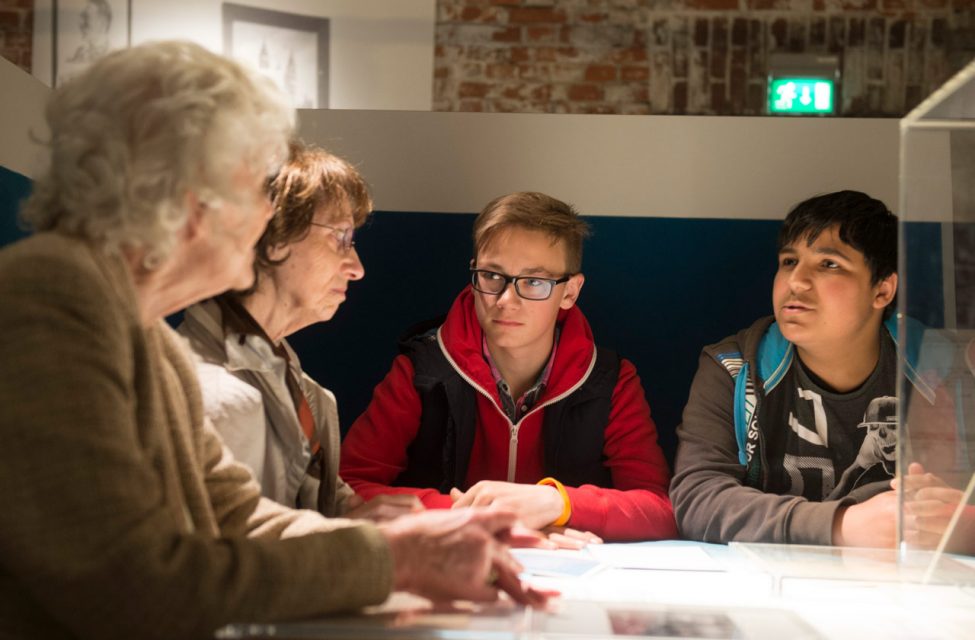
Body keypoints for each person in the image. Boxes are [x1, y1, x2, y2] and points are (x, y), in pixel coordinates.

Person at [0, 41, 546, 640]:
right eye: (254, 186)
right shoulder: (51, 296)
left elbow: (239, 519)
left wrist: (413, 543)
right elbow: (126, 585)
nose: (266, 216)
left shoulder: (140, 330)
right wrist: (396, 559)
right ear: (187, 191)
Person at [340, 191, 677, 543]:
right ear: (474, 273)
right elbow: (348, 489)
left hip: (568, 576)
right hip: (450, 567)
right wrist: (478, 519)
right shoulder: (421, 370)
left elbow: (659, 508)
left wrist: (557, 503)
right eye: (492, 276)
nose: (505, 300)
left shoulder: (611, 380)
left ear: (570, 293)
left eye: (534, 282)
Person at [179, 141, 420, 521]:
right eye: (341, 237)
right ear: (272, 237)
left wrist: (382, 517)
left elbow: (314, 509)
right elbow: (235, 560)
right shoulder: (214, 396)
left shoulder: (280, 369)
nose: (357, 268)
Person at [670, 190, 916, 547]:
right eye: (788, 262)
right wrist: (841, 525)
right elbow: (697, 499)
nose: (796, 282)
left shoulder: (934, 371)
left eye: (828, 264)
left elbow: (956, 500)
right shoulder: (733, 367)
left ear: (882, 290)